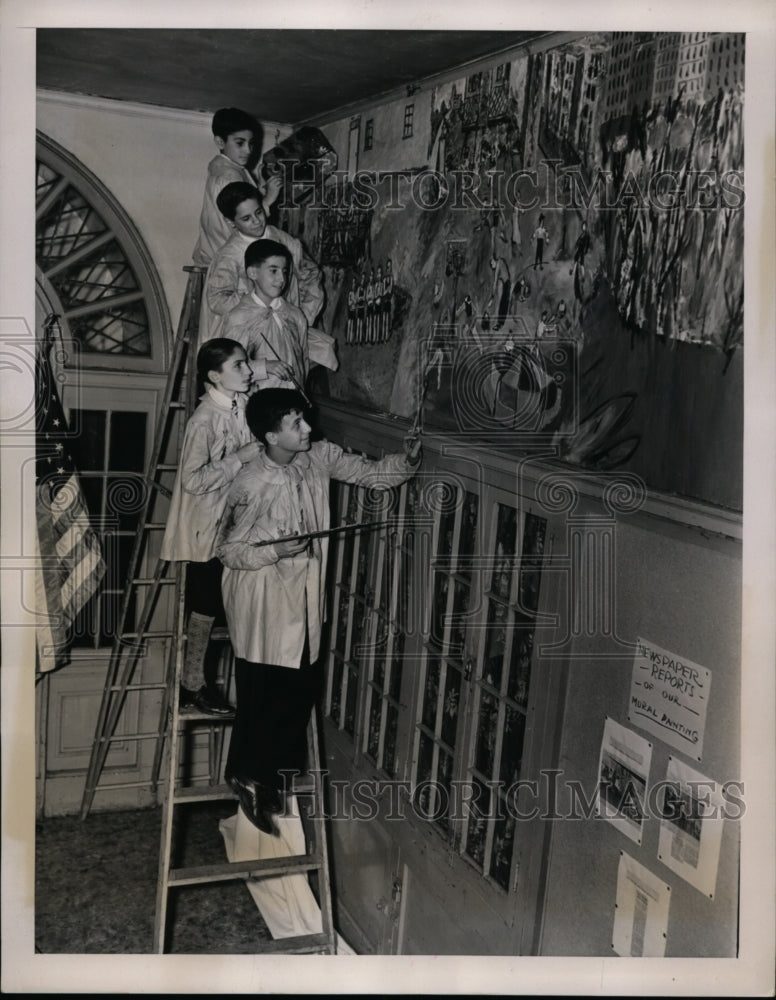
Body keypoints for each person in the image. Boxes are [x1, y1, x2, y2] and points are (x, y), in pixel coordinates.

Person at [216, 388, 422, 833]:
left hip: (304, 599)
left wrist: (406, 460)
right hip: (261, 600)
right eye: (296, 424)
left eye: (304, 419)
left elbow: (373, 476)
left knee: (298, 689)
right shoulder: (248, 482)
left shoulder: (319, 458)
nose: (308, 428)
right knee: (263, 692)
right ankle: (253, 778)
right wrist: (273, 552)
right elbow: (227, 550)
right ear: (271, 435)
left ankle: (261, 780)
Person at [160, 339, 262, 715]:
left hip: (237, 526)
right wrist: (237, 459)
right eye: (240, 366)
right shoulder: (203, 421)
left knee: (234, 608)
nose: (248, 371)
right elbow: (192, 480)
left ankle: (216, 685)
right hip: (207, 531)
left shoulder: (242, 407)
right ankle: (192, 685)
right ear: (214, 376)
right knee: (205, 610)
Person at [201, 182, 326, 347]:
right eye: (246, 218)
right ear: (231, 222)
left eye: (258, 212)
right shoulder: (229, 255)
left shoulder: (284, 241)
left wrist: (304, 315)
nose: (257, 222)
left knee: (322, 352)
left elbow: (310, 275)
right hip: (250, 331)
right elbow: (217, 299)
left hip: (289, 326)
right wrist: (257, 306)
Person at [192, 107, 282, 266]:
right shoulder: (229, 176)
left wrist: (260, 188)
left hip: (220, 258)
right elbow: (247, 220)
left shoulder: (227, 170)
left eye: (251, 143)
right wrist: (268, 200)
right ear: (220, 141)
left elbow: (238, 205)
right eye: (240, 143)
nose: (248, 150)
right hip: (231, 261)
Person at [223, 238, 309, 394]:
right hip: (258, 405)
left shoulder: (296, 315)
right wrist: (265, 367)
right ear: (252, 273)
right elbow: (229, 369)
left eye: (285, 271)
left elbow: (303, 362)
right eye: (273, 270)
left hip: (293, 403)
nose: (282, 279)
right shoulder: (239, 318)